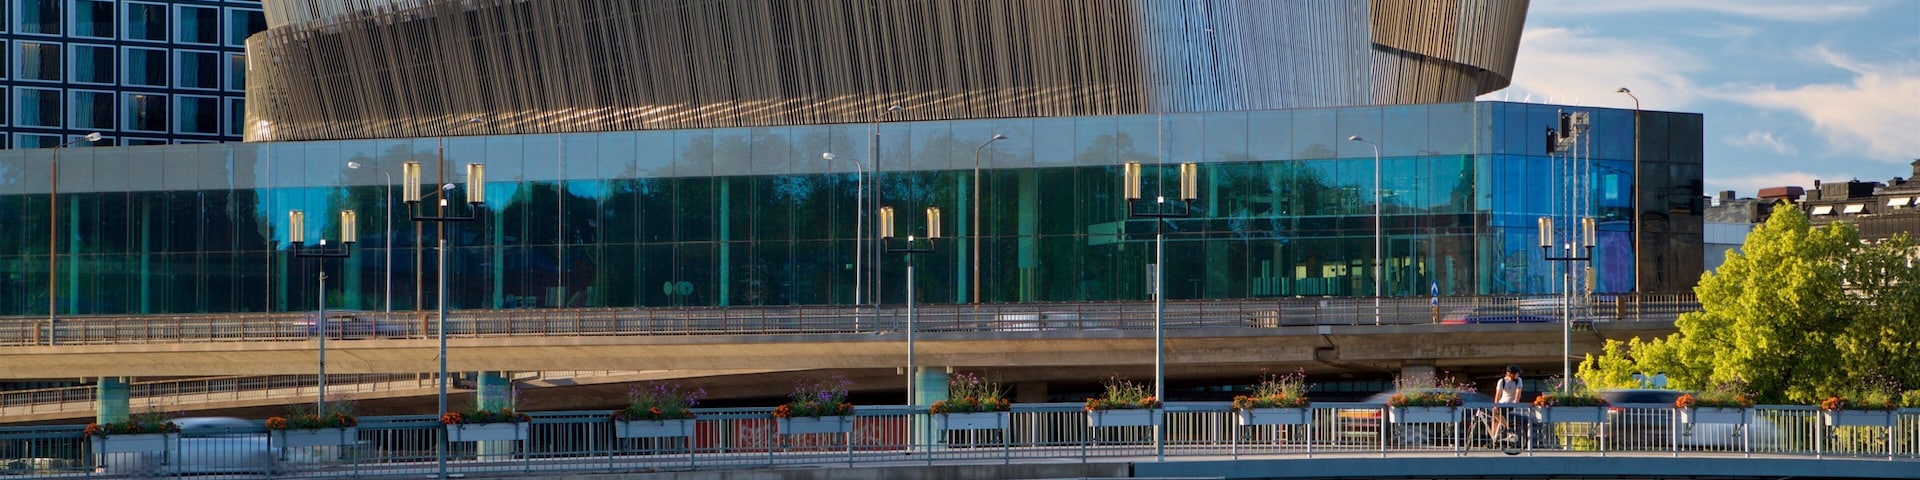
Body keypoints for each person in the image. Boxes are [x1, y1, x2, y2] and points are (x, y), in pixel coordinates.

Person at [1491, 365, 1523, 442]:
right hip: (1502, 403)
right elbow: (1498, 395)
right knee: (1494, 417)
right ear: (1510, 374)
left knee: (1498, 415)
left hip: (1511, 403)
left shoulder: (1518, 380)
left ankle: (1507, 429)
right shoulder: (1502, 381)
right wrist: (1496, 406)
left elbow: (1518, 391)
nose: (1518, 375)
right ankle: (1493, 439)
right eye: (1516, 373)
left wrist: (1516, 400)